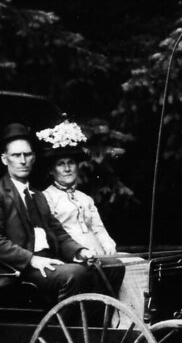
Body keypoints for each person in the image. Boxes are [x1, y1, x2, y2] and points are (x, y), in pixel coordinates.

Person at [0, 123, 109, 303]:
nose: (23, 161)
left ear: (34, 157)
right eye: (16, 155)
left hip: (49, 263)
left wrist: (81, 252)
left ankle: (93, 326)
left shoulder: (38, 196)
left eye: (27, 154)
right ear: (4, 159)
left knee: (111, 267)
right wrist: (31, 259)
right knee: (75, 274)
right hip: (19, 270)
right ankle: (62, 329)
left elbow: (60, 235)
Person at [36, 120, 126, 295]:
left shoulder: (85, 198)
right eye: (61, 164)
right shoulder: (46, 198)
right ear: (52, 170)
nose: (67, 168)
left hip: (98, 254)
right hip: (72, 257)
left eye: (71, 163)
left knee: (135, 264)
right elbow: (54, 236)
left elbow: (98, 228)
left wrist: (108, 244)